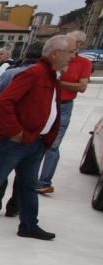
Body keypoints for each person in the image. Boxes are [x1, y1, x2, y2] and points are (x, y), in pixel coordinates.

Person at [0, 34, 77, 240]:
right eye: (70, 53)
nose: (73, 57)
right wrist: (15, 131)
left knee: (28, 184)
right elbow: (4, 102)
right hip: (18, 142)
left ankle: (29, 225)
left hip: (35, 142)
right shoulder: (34, 74)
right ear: (56, 53)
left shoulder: (51, 77)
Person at [0, 42, 43, 218]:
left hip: (22, 134)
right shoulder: (25, 75)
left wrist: (5, 123)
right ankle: (18, 212)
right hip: (23, 135)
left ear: (25, 55)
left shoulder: (11, 73)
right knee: (23, 179)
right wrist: (13, 128)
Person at [36, 31, 92, 195]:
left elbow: (82, 87)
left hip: (64, 105)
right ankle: (30, 177)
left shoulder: (84, 63)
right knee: (36, 141)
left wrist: (57, 82)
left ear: (80, 45)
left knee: (53, 145)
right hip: (46, 101)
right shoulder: (54, 58)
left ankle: (44, 182)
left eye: (72, 44)